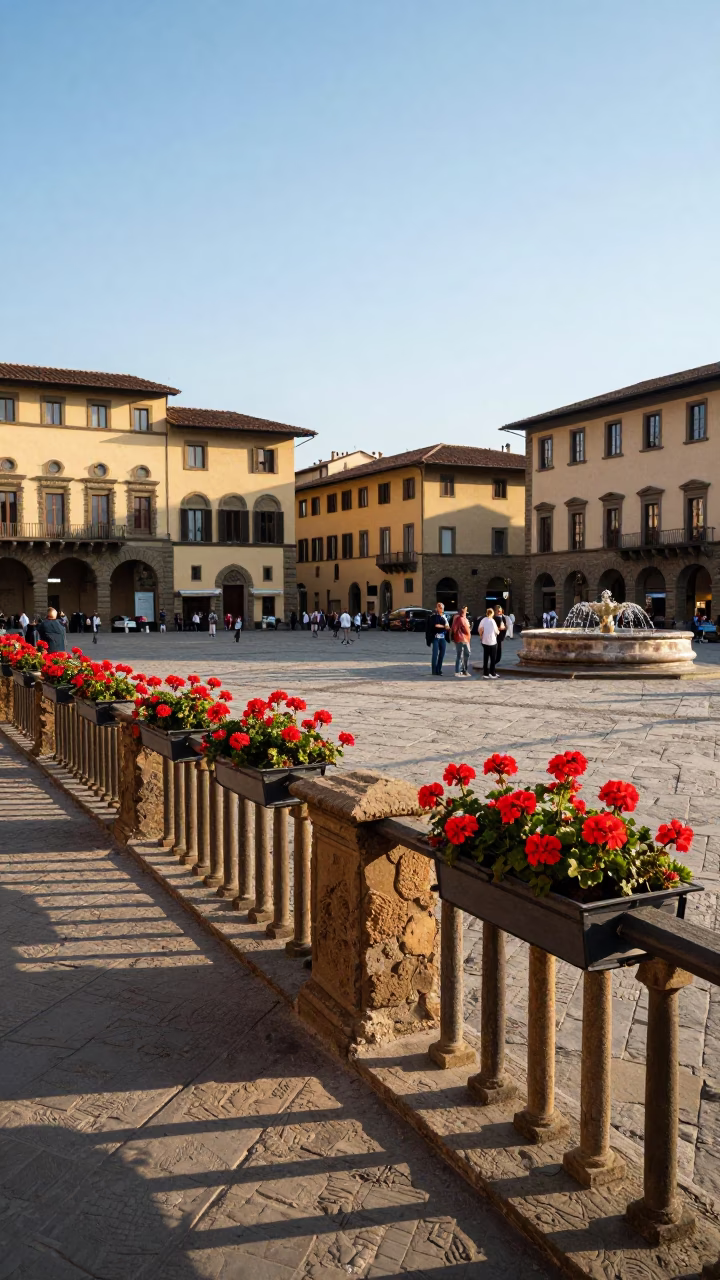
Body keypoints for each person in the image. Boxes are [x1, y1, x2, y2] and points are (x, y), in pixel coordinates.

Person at [426, 603, 450, 676]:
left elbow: (447, 626)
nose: (441, 609)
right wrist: (444, 627)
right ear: (437, 608)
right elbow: (436, 625)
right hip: (436, 637)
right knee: (435, 654)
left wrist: (446, 628)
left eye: (442, 607)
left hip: (442, 637)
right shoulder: (434, 617)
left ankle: (439, 670)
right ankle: (434, 671)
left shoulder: (444, 616)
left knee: (442, 654)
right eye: (440, 607)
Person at [451, 605, 472, 677]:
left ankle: (464, 670)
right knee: (460, 655)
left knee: (467, 654)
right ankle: (457, 671)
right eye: (464, 610)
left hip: (466, 639)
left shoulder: (465, 619)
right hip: (460, 638)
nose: (465, 612)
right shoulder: (459, 618)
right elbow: (454, 628)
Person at [479, 607, 499, 679]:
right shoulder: (492, 621)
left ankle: (485, 673)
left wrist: (481, 636)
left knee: (486, 657)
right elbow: (496, 631)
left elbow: (480, 629)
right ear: (492, 613)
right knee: (493, 658)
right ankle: (492, 672)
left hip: (485, 641)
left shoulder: (483, 620)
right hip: (492, 641)